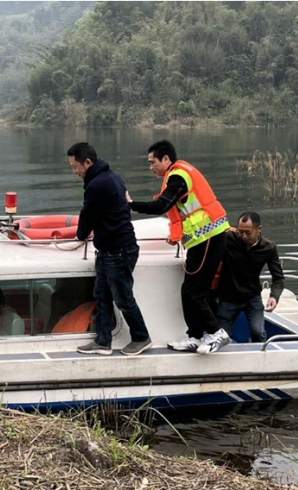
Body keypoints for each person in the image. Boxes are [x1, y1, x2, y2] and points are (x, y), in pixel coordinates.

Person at [127, 139, 231, 354]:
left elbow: (161, 205)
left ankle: (216, 333)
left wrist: (128, 204)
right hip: (201, 240)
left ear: (166, 159)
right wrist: (176, 234)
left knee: (195, 292)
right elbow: (178, 211)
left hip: (209, 237)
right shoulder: (177, 175)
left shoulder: (178, 176)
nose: (151, 167)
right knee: (188, 290)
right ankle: (194, 335)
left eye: (152, 162)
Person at [67, 142, 152, 356]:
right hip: (109, 248)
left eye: (75, 166)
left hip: (119, 249)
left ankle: (141, 337)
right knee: (102, 294)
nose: (74, 171)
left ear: (87, 162)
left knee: (122, 296)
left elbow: (88, 214)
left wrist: (79, 236)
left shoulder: (97, 184)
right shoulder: (112, 176)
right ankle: (103, 341)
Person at [213, 211, 284, 344]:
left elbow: (278, 277)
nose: (243, 236)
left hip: (252, 297)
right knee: (220, 337)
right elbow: (207, 237)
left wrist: (274, 296)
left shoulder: (268, 247)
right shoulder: (229, 239)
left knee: (258, 333)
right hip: (228, 297)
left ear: (259, 229)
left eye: (248, 232)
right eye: (240, 232)